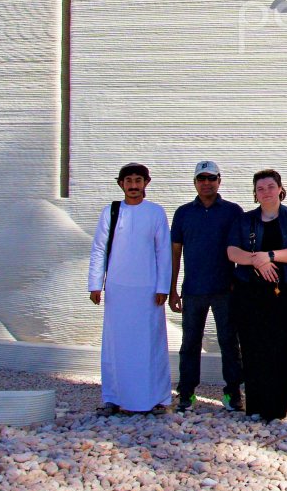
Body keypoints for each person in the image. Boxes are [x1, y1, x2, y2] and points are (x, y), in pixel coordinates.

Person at [87, 162, 173, 415]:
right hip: (117, 289)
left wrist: (162, 287)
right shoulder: (111, 212)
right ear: (121, 184)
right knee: (116, 343)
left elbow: (163, 251)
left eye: (138, 180)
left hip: (148, 290)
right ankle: (114, 397)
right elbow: (99, 248)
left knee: (150, 343)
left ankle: (157, 398)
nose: (133, 185)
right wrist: (95, 284)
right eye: (128, 181)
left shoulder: (156, 212)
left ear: (146, 183)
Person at [227, 170, 287, 422]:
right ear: (255, 193)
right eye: (260, 188)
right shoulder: (245, 220)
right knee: (253, 345)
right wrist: (257, 260)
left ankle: (276, 408)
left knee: (282, 347)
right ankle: (255, 405)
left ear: (280, 189)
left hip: (284, 291)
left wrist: (271, 256)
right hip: (250, 292)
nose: (266, 192)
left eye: (270, 186)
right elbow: (232, 250)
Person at [168, 159, 244, 412]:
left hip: (226, 289)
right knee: (189, 343)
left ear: (219, 181)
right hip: (193, 290)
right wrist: (172, 288)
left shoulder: (233, 211)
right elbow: (175, 253)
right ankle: (187, 393)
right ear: (195, 183)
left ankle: (233, 392)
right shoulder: (183, 213)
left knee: (229, 342)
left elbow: (243, 249)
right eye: (202, 179)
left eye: (211, 178)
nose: (206, 183)